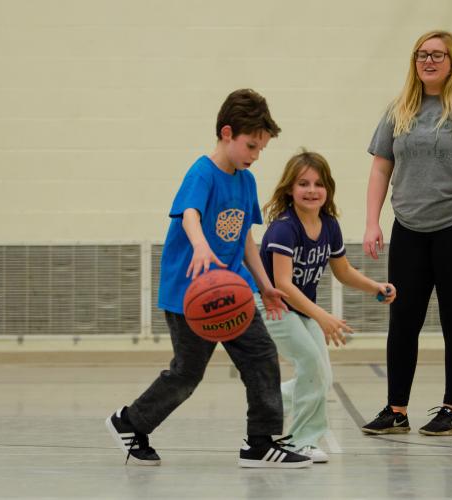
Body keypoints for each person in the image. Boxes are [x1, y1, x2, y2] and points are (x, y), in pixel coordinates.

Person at [105, 89, 312, 468]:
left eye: (261, 149)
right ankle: (129, 422)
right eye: (251, 146)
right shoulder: (202, 172)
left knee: (262, 354)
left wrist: (265, 284)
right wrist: (200, 246)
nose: (255, 155)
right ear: (227, 133)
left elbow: (247, 240)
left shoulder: (246, 182)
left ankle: (260, 442)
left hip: (232, 290)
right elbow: (189, 215)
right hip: (191, 293)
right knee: (187, 374)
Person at [360, 30, 452, 436]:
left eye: (437, 55)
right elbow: (380, 168)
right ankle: (396, 410)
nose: (429, 61)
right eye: (422, 55)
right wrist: (373, 221)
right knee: (402, 319)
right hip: (409, 227)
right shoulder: (399, 110)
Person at [259, 149, 396, 462]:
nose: (311, 190)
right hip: (275, 306)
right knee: (311, 364)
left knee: (322, 375)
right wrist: (322, 317)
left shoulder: (329, 226)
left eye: (318, 184)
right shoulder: (284, 227)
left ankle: (267, 402)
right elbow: (282, 284)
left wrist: (375, 286)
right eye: (303, 183)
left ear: (328, 189)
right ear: (290, 190)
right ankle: (300, 441)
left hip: (301, 307)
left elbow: (342, 270)